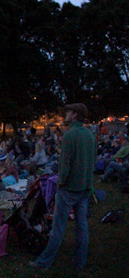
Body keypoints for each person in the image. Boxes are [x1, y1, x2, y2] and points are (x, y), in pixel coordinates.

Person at [29, 103, 96, 271]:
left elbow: (64, 165)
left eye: (68, 111)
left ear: (74, 115)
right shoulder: (90, 135)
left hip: (69, 188)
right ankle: (80, 262)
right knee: (82, 227)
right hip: (85, 187)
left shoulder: (70, 135)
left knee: (58, 227)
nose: (65, 114)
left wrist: (60, 183)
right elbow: (92, 162)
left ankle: (44, 262)